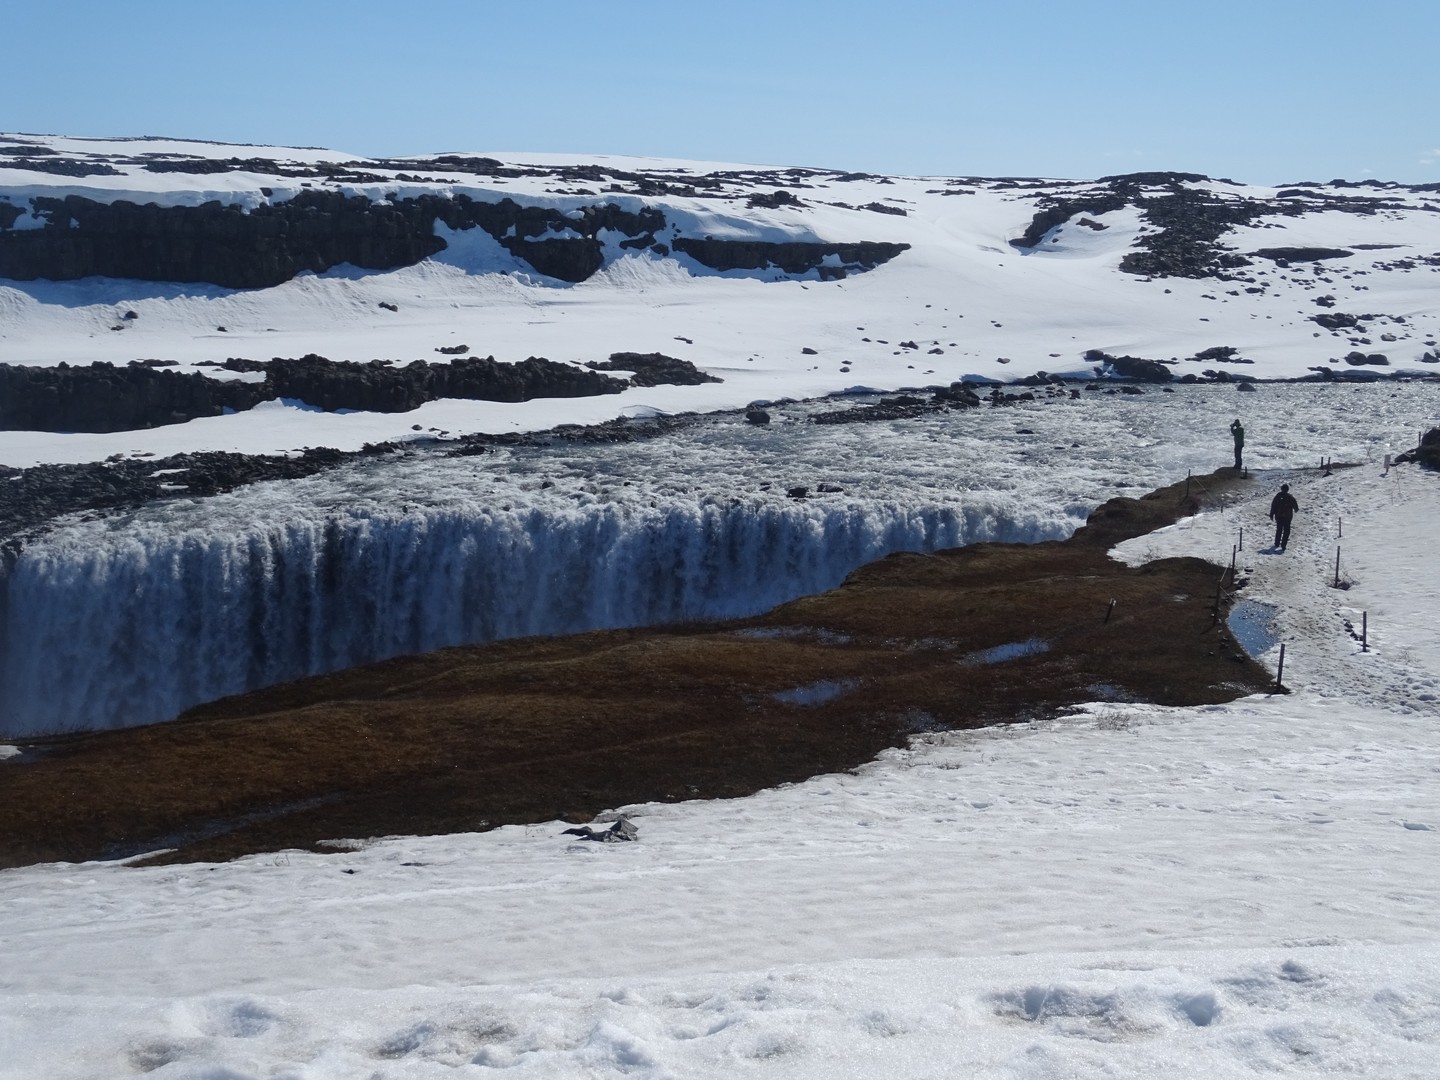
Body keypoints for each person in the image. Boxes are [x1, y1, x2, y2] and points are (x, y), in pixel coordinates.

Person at [1268, 483, 1299, 550]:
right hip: (1287, 517)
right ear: (1287, 490)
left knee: (1279, 529)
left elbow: (1273, 506)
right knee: (1286, 531)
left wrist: (1271, 514)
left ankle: (1277, 543)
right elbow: (1296, 508)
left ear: (1281, 489)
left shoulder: (1278, 496)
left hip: (1279, 516)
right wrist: (1295, 509)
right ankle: (1283, 544)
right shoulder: (1290, 497)